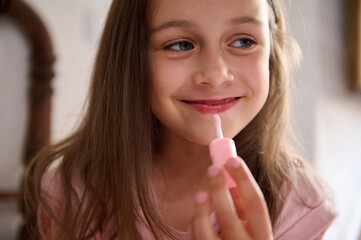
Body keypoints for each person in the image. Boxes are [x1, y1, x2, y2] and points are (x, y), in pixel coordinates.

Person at [25, 0, 337, 239]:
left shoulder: (300, 206)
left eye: (243, 41)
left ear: (271, 53)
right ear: (131, 61)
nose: (215, 75)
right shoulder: (75, 194)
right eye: (180, 45)